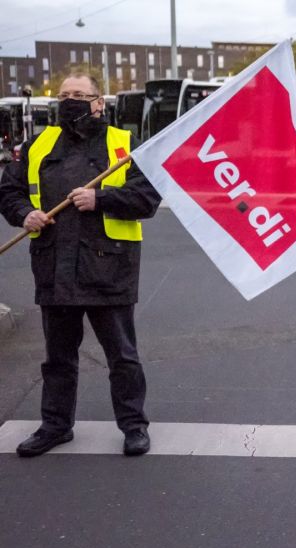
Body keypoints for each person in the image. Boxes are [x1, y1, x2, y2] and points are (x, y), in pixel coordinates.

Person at [0, 73, 161, 457]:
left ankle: (134, 426)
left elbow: (147, 195)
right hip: (54, 266)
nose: (70, 100)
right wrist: (26, 215)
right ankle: (55, 426)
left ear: (98, 102)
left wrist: (101, 198)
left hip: (109, 268)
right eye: (64, 95)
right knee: (57, 358)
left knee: (122, 356)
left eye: (79, 94)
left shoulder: (122, 143)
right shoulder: (38, 144)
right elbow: (9, 190)